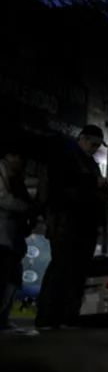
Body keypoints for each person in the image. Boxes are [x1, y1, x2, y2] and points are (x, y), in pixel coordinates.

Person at [35, 125, 108, 330]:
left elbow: (92, 193)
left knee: (78, 273)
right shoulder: (67, 156)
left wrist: (105, 192)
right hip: (67, 221)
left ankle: (68, 317)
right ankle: (47, 317)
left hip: (86, 224)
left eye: (98, 146)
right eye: (93, 144)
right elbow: (59, 186)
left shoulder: (91, 164)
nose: (94, 149)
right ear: (82, 138)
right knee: (61, 269)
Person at [0, 141, 39, 335]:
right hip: (3, 235)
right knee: (7, 276)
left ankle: (3, 319)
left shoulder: (16, 177)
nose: (19, 161)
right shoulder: (3, 173)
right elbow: (3, 198)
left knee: (13, 277)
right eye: (16, 157)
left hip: (12, 237)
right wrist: (25, 208)